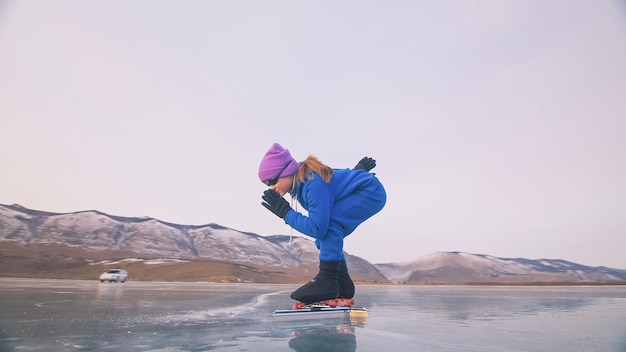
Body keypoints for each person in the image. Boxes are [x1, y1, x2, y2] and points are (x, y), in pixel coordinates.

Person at [258, 143, 387, 304]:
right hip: (362, 188)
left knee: (329, 227)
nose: (271, 187)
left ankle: (328, 280)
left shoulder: (311, 183)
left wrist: (286, 213)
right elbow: (333, 178)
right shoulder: (303, 182)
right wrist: (356, 173)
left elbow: (318, 228)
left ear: (287, 171)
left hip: (369, 192)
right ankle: (342, 285)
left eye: (272, 180)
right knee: (325, 235)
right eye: (266, 184)